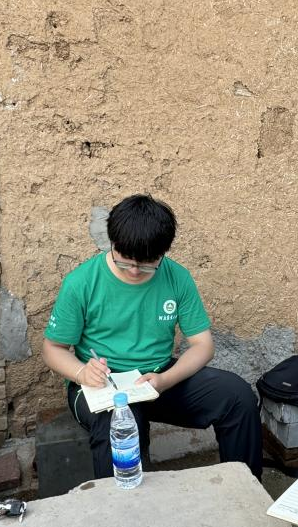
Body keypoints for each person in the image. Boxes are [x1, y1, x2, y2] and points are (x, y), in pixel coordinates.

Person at [42, 194, 262, 481]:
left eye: (147, 265)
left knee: (237, 397)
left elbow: (203, 346)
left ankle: (245, 489)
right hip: (101, 383)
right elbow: (53, 348)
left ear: (163, 253)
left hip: (157, 377)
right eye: (125, 262)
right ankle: (126, 506)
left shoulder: (176, 277)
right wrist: (82, 372)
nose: (135, 271)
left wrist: (164, 380)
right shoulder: (81, 282)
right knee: (119, 426)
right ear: (113, 243)